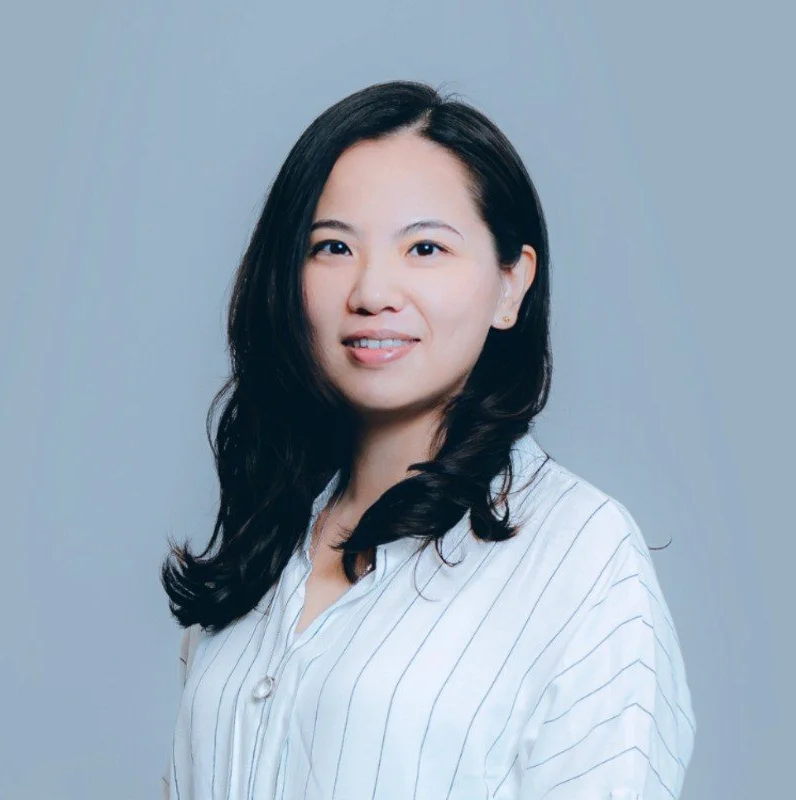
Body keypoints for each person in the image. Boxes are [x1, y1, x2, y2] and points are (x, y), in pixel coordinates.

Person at [160, 80, 696, 799]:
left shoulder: (579, 552)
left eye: (425, 247)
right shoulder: (265, 542)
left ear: (511, 285)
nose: (372, 292)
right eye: (332, 246)